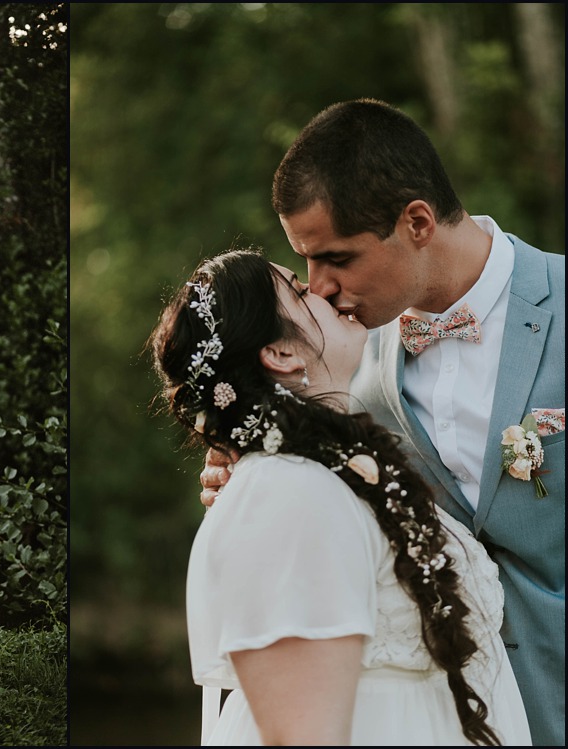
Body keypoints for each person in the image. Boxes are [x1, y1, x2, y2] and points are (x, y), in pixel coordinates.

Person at [199, 99, 565, 746]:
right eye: (305, 262)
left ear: (417, 221)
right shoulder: (340, 355)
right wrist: (245, 465)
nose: (318, 288)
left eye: (336, 259)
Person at [150, 248, 532, 745]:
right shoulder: (287, 492)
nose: (324, 289)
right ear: (282, 354)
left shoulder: (327, 475)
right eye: (301, 290)